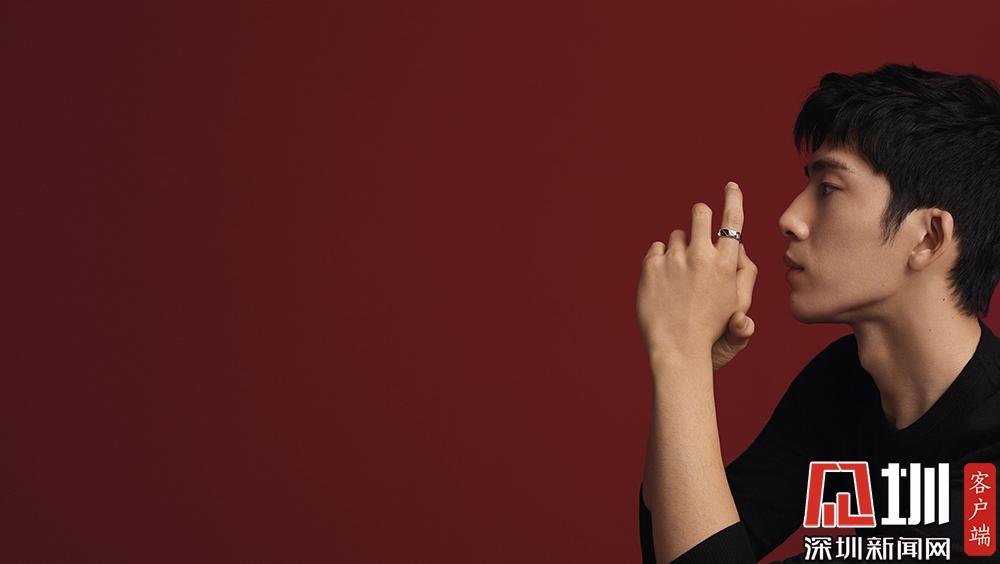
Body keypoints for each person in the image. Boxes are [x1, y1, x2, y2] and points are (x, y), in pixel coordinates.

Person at [636, 63, 1000, 563]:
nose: (789, 218)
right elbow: (674, 544)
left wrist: (679, 359)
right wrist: (687, 364)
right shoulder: (843, 384)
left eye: (828, 188)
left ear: (928, 237)